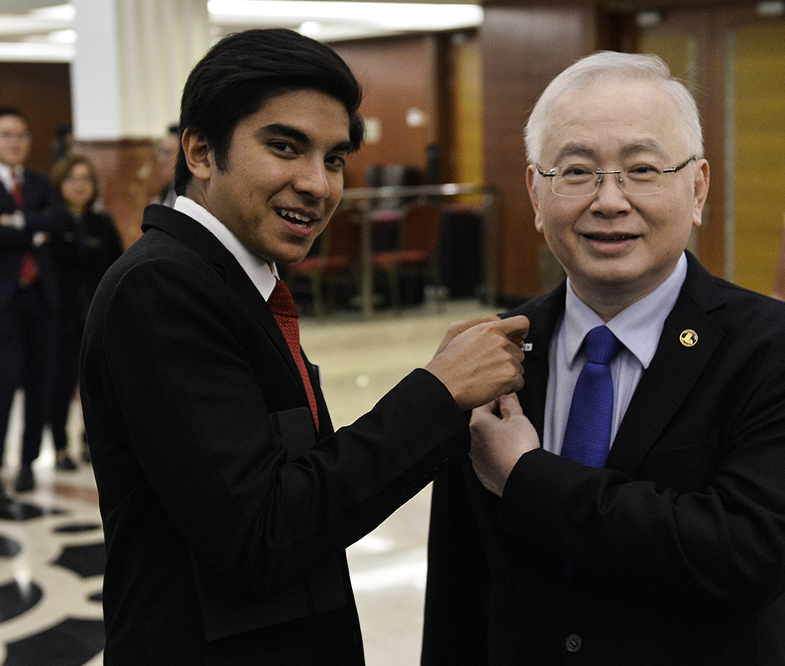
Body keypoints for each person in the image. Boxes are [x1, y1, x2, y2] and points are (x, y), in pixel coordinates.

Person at [79, 28, 528, 665]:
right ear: (202, 151)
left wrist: (446, 388)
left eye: (335, 158)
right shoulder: (161, 289)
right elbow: (262, 532)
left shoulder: (238, 281)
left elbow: (300, 474)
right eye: (285, 147)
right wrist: (438, 391)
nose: (317, 185)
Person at [421, 51, 785, 666]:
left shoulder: (781, 353)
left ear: (696, 187)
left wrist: (527, 476)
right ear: (536, 194)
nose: (610, 200)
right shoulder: (491, 353)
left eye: (642, 169)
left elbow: (747, 555)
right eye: (576, 172)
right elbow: (460, 591)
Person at [0, 107, 71, 509]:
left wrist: (16, 223)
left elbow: (59, 222)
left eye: (22, 135)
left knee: (40, 382)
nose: (16, 142)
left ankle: (27, 462)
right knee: (6, 379)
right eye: (6, 135)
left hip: (40, 294)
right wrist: (34, 228)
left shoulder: (41, 182)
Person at [47, 154, 122, 471]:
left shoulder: (102, 224)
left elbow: (119, 268)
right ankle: (60, 447)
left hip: (95, 318)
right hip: (58, 318)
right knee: (60, 384)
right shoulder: (49, 224)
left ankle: (90, 441)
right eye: (72, 179)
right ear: (59, 183)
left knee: (95, 385)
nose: (80, 186)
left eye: (86, 179)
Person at [152, 123, 179, 207]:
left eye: (167, 153)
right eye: (160, 152)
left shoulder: (193, 195)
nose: (160, 160)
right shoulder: (165, 192)